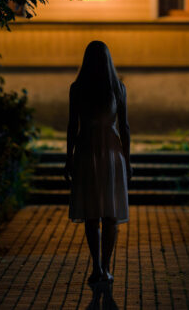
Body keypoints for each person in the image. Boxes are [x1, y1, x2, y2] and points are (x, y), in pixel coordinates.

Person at [64, 40, 132, 284]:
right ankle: (104, 266)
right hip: (112, 153)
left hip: (87, 150)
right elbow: (124, 127)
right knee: (109, 213)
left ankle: (97, 267)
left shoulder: (78, 88)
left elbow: (73, 126)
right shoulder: (117, 88)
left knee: (93, 213)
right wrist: (129, 159)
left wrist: (68, 157)